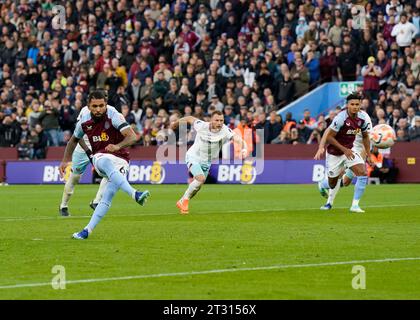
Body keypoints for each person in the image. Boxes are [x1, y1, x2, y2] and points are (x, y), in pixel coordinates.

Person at [59, 90, 151, 239]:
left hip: (121, 158)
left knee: (108, 196)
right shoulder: (84, 119)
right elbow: (73, 140)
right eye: (94, 106)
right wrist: (65, 160)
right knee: (103, 160)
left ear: (106, 104)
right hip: (99, 154)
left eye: (101, 105)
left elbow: (133, 136)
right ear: (88, 106)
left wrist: (117, 146)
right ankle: (135, 193)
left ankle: (86, 231)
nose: (98, 109)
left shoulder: (113, 115)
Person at [170, 110, 248, 214]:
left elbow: (238, 139)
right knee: (200, 178)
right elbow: (189, 118)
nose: (219, 123)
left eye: (221, 120)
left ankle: (182, 201)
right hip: (193, 156)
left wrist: (245, 148)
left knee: (197, 186)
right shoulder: (202, 125)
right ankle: (184, 201)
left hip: (206, 161)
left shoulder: (225, 130)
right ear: (211, 120)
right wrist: (176, 123)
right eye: (217, 120)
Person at [314, 93, 372, 213]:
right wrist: (323, 147)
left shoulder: (363, 118)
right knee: (333, 183)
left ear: (360, 104)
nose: (355, 107)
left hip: (350, 151)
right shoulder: (341, 118)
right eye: (352, 104)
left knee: (362, 172)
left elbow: (366, 137)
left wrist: (368, 154)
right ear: (347, 105)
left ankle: (355, 205)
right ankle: (323, 184)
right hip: (334, 154)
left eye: (357, 104)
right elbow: (329, 137)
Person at [58, 103, 110, 217]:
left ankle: (96, 201)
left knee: (109, 173)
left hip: (99, 146)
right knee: (74, 178)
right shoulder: (85, 111)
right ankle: (63, 205)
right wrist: (87, 151)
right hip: (82, 149)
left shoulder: (110, 110)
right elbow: (78, 135)